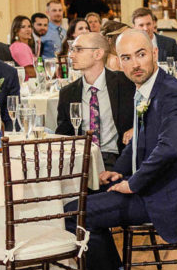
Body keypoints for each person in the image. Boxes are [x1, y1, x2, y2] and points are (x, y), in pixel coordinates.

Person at [62, 29, 177, 270]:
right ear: (117, 62)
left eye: (141, 54)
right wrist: (120, 169)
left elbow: (170, 148)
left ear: (155, 54)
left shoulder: (169, 93)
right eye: (126, 57)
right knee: (83, 202)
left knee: (76, 213)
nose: (135, 63)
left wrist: (133, 183)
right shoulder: (149, 87)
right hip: (159, 186)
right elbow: (141, 139)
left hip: (173, 195)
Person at [55, 32, 135, 171]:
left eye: (78, 50)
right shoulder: (68, 93)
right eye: (72, 50)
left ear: (98, 54)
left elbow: (153, 110)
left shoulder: (125, 83)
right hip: (82, 160)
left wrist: (136, 128)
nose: (71, 55)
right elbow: (63, 134)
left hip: (116, 157)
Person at [131, 8, 177, 79]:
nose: (145, 28)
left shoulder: (169, 43)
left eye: (148, 24)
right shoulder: (129, 46)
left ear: (154, 24)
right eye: (141, 25)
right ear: (134, 27)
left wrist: (174, 85)